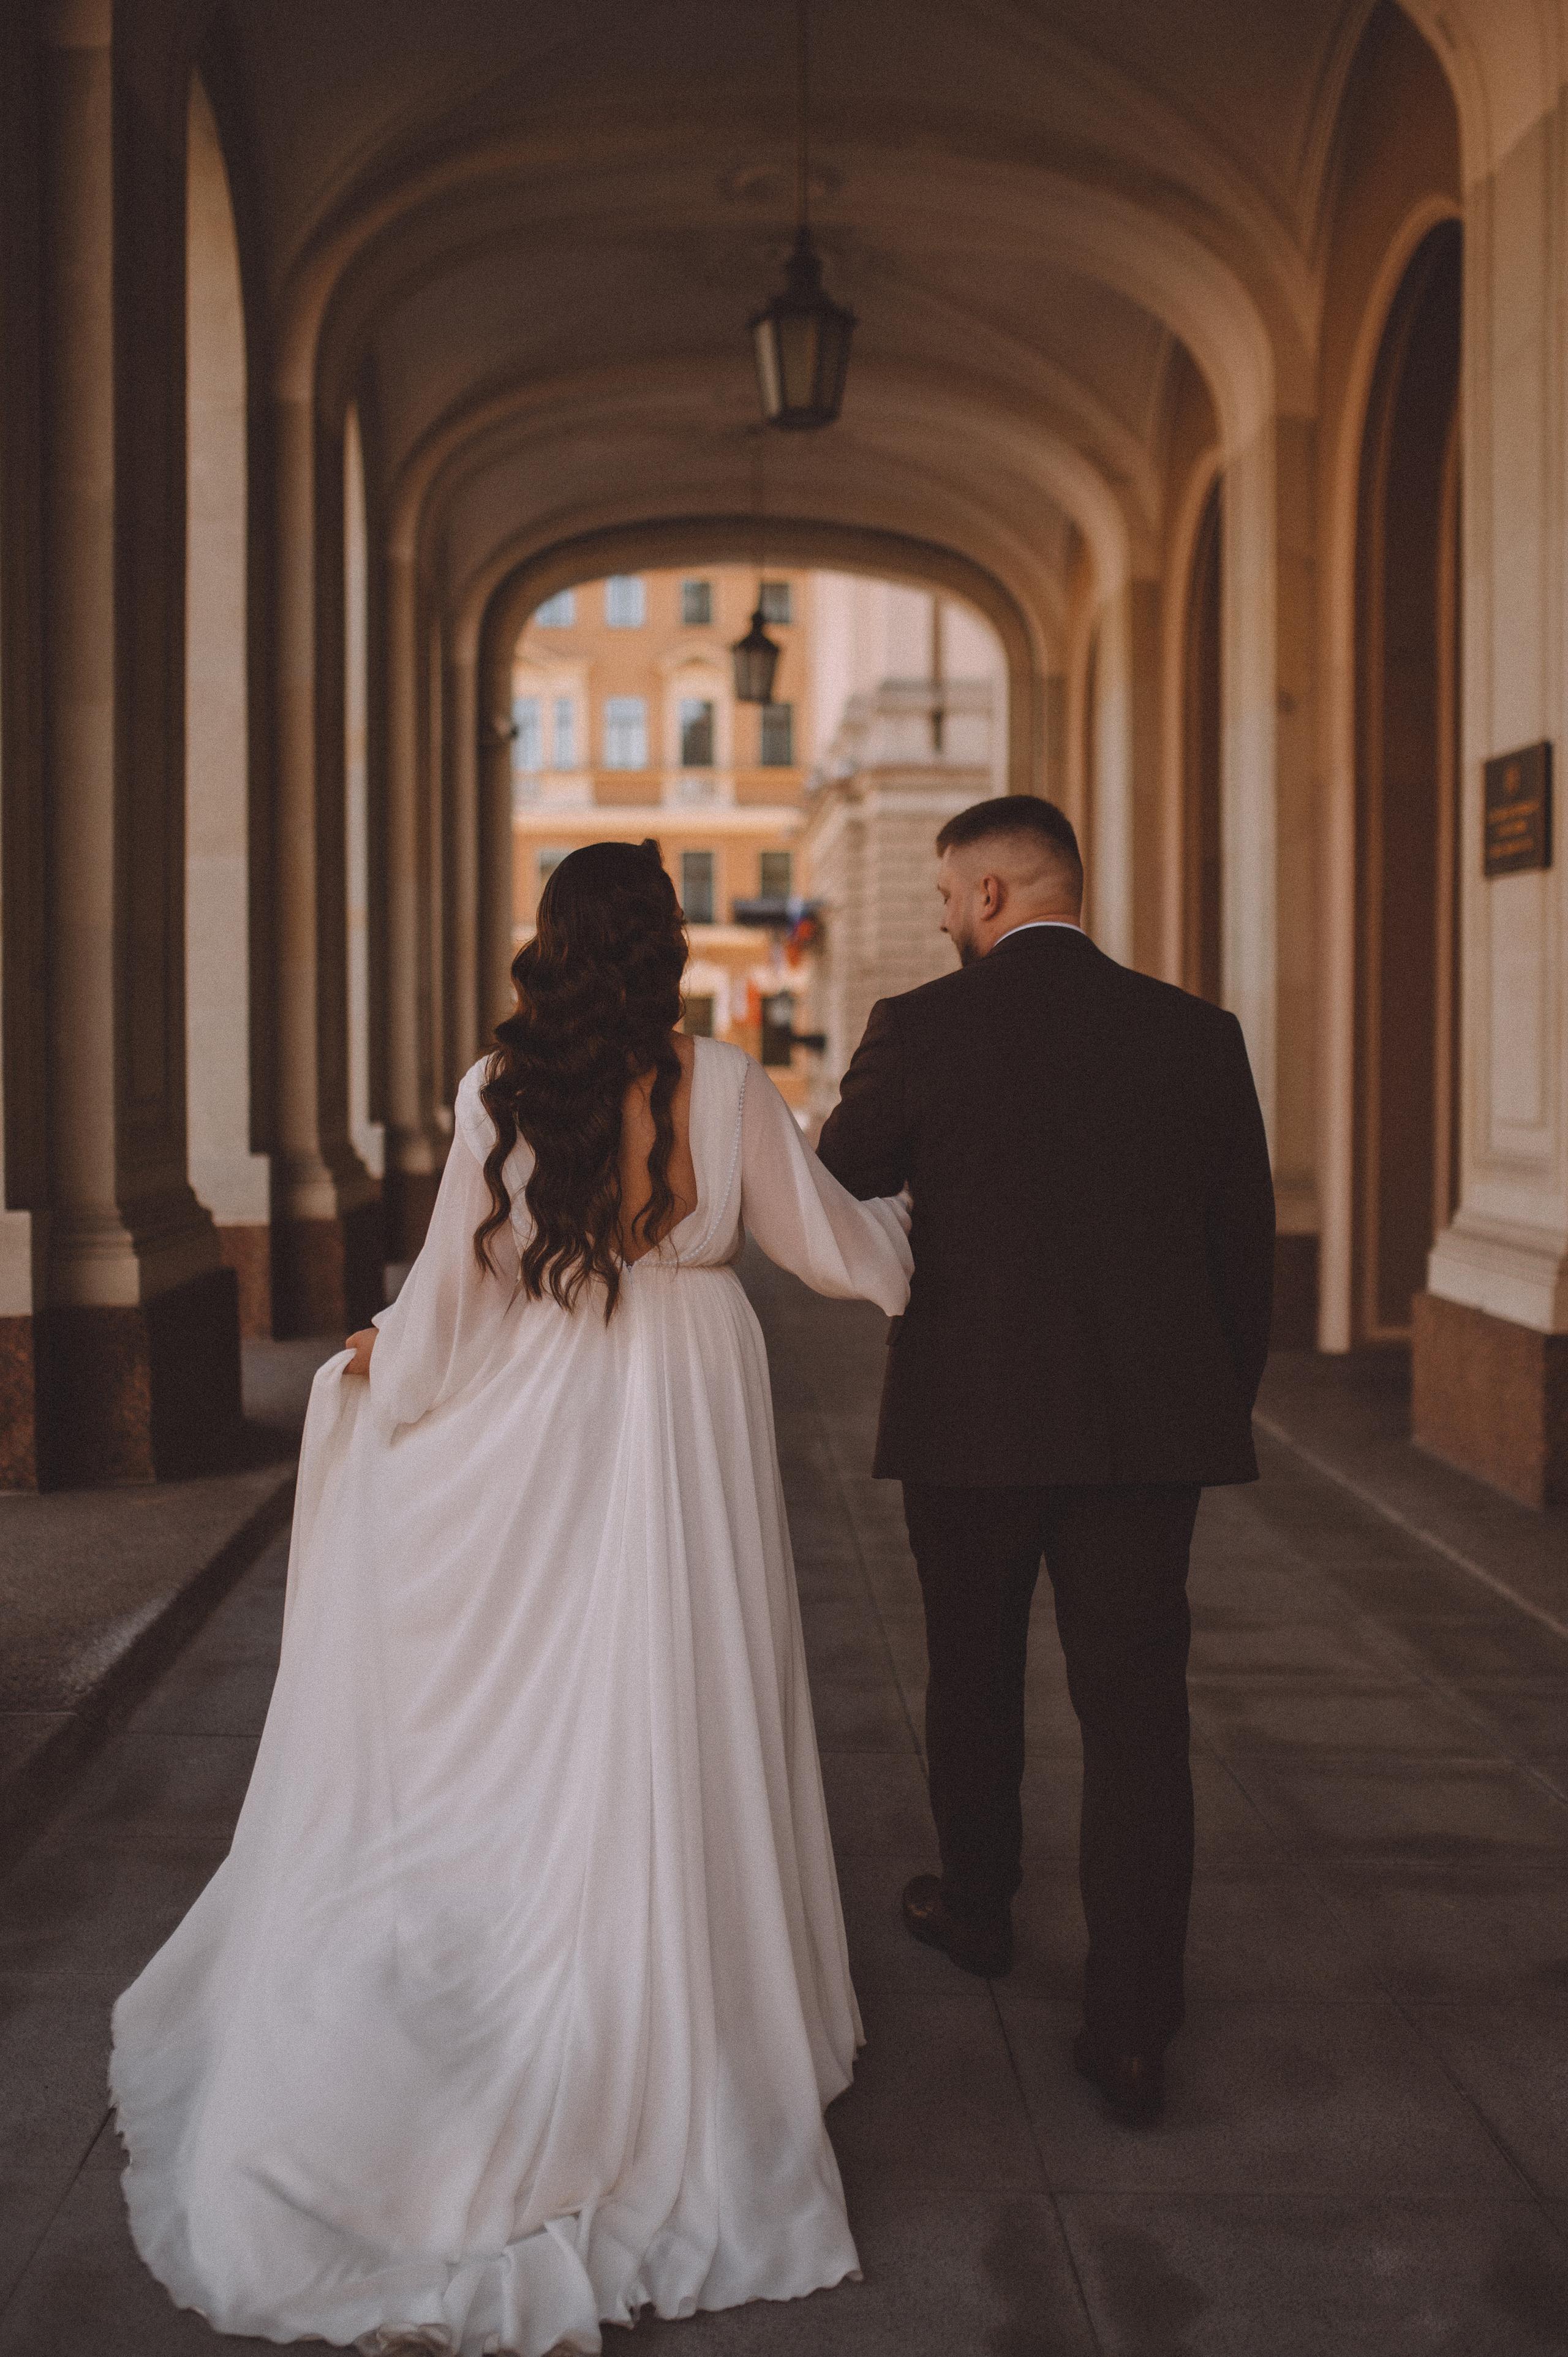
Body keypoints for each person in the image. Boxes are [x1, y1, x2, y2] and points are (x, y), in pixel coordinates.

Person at [110, 840, 911, 2357]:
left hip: (548, 1405)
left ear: (551, 942)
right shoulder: (729, 1080)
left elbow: (448, 1297)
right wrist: (928, 1248)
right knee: (680, 1689)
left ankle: (532, 1963)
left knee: (549, 1693)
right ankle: (694, 2008)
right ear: (670, 943)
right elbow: (834, 1249)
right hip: (689, 1399)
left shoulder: (503, 1086)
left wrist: (380, 1379)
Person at [815, 795, 1274, 2127]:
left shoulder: (921, 1025)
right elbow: (1238, 1257)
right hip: (1146, 1437)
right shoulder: (1197, 1036)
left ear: (994, 896)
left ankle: (977, 1906)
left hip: (968, 1426)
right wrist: (1200, 1409)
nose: (944, 918)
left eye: (950, 896)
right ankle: (1131, 2029)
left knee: (972, 1675)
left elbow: (840, 1178)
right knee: (1137, 1717)